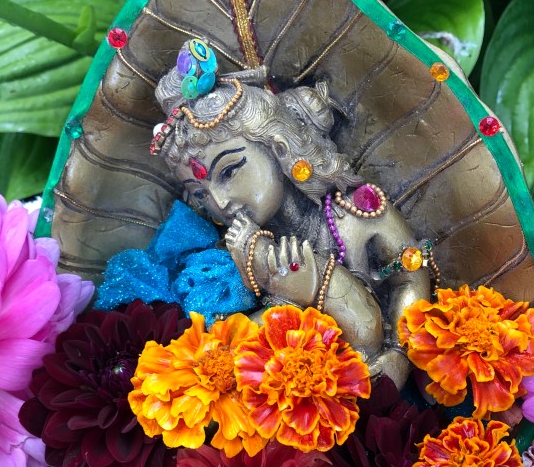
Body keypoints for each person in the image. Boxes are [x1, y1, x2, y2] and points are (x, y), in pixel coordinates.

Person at [150, 38, 433, 388]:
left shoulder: (356, 212)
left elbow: (411, 277)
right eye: (200, 194)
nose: (221, 204)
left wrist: (399, 353)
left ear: (277, 145)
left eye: (229, 172)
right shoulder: (230, 255)